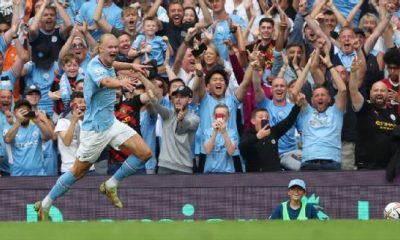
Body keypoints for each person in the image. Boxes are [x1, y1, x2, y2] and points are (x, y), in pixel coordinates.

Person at [34, 34, 152, 221]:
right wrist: (121, 82)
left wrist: (131, 66)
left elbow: (113, 66)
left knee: (145, 154)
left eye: (115, 47)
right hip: (95, 130)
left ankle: (111, 184)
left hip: (111, 123)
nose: (114, 50)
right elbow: (106, 81)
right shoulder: (93, 67)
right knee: (77, 172)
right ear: (100, 49)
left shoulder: (106, 62)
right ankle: (45, 204)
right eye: (110, 47)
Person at [291, 50, 347, 170]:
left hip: (332, 163)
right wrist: (308, 64)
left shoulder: (336, 111)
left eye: (323, 95)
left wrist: (330, 65)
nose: (320, 97)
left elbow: (342, 90)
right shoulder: (307, 112)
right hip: (308, 162)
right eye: (316, 95)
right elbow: (294, 92)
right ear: (311, 100)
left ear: (329, 99)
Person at [349, 55, 400, 170]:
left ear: (388, 94)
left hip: (389, 169)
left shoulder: (394, 113)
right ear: (370, 93)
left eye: (382, 90)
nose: (379, 93)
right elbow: (353, 91)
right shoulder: (364, 108)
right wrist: (353, 72)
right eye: (376, 90)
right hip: (365, 167)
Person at [239, 93, 304, 172]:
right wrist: (257, 137)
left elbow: (288, 121)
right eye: (260, 117)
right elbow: (242, 147)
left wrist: (297, 106)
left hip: (274, 176)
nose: (264, 119)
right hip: (254, 177)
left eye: (266, 117)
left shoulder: (273, 132)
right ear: (253, 121)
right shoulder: (248, 134)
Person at [149, 85, 199, 174]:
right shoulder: (168, 114)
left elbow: (182, 128)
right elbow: (158, 108)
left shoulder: (195, 118)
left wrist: (182, 119)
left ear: (190, 100)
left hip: (184, 167)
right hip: (164, 166)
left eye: (182, 97)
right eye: (176, 97)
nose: (178, 99)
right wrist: (153, 99)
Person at [3, 99, 53, 176]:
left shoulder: (36, 127)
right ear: (14, 113)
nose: (24, 113)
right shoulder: (8, 128)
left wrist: (38, 122)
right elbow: (7, 139)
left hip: (39, 174)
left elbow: (49, 136)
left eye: (27, 111)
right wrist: (18, 121)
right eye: (21, 111)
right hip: (17, 175)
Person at [54, 92, 95, 174]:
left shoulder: (90, 121)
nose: (83, 105)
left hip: (89, 168)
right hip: (70, 168)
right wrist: (73, 122)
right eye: (80, 102)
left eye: (85, 102)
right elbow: (66, 142)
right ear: (72, 105)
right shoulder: (63, 121)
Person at [203, 104, 238, 173]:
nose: (220, 118)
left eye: (223, 116)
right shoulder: (207, 132)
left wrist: (224, 132)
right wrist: (215, 131)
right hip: (210, 172)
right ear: (213, 116)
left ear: (228, 117)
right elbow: (208, 151)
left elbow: (231, 152)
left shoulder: (232, 132)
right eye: (217, 115)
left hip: (227, 172)